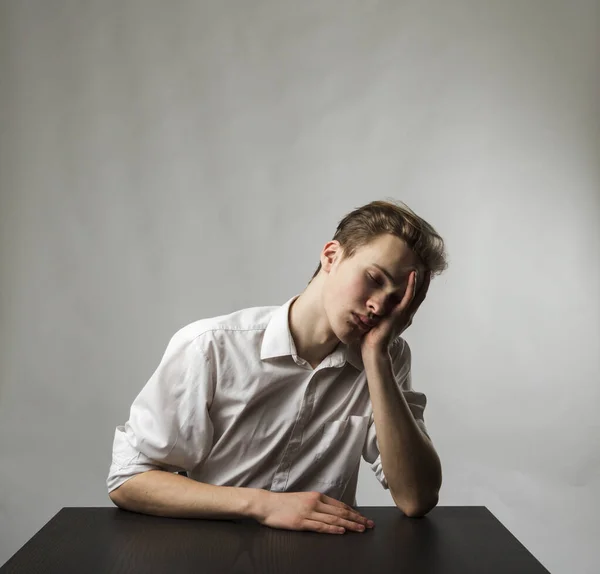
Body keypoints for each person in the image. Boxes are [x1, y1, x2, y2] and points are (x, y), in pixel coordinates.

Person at [107, 199, 448, 535]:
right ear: (331, 256)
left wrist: (377, 359)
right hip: (214, 552)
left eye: (398, 300)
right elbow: (128, 479)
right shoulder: (211, 346)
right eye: (374, 278)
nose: (378, 306)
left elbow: (416, 499)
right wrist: (264, 505)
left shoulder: (387, 358)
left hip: (327, 559)